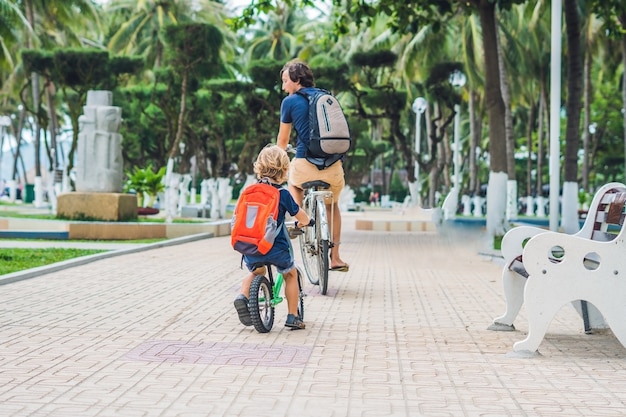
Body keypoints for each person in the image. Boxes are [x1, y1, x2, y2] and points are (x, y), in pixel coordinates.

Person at [276, 59, 349, 272]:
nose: (283, 87)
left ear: (296, 80)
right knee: (333, 205)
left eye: (285, 81)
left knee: (295, 184)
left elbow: (282, 142)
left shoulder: (289, 102)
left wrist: (279, 158)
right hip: (333, 165)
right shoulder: (327, 98)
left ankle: (300, 221)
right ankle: (335, 257)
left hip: (304, 162)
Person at [234, 145, 312, 330]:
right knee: (290, 274)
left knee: (256, 272)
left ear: (258, 167)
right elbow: (299, 215)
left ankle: (242, 297)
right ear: (285, 170)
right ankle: (293, 317)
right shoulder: (282, 193)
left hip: (252, 247)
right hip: (276, 248)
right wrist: (307, 221)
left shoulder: (250, 191)